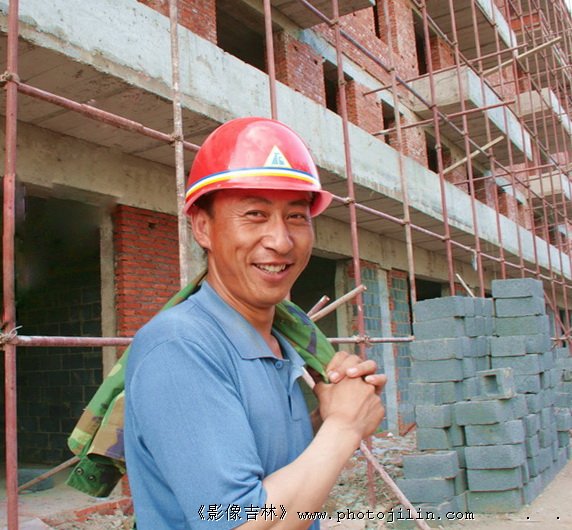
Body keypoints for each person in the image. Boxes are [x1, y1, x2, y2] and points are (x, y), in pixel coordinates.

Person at [124, 117, 386, 529]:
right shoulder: (180, 347)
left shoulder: (280, 340)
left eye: (296, 217)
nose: (281, 241)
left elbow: (270, 466)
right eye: (255, 214)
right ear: (204, 228)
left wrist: (328, 413)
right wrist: (345, 427)